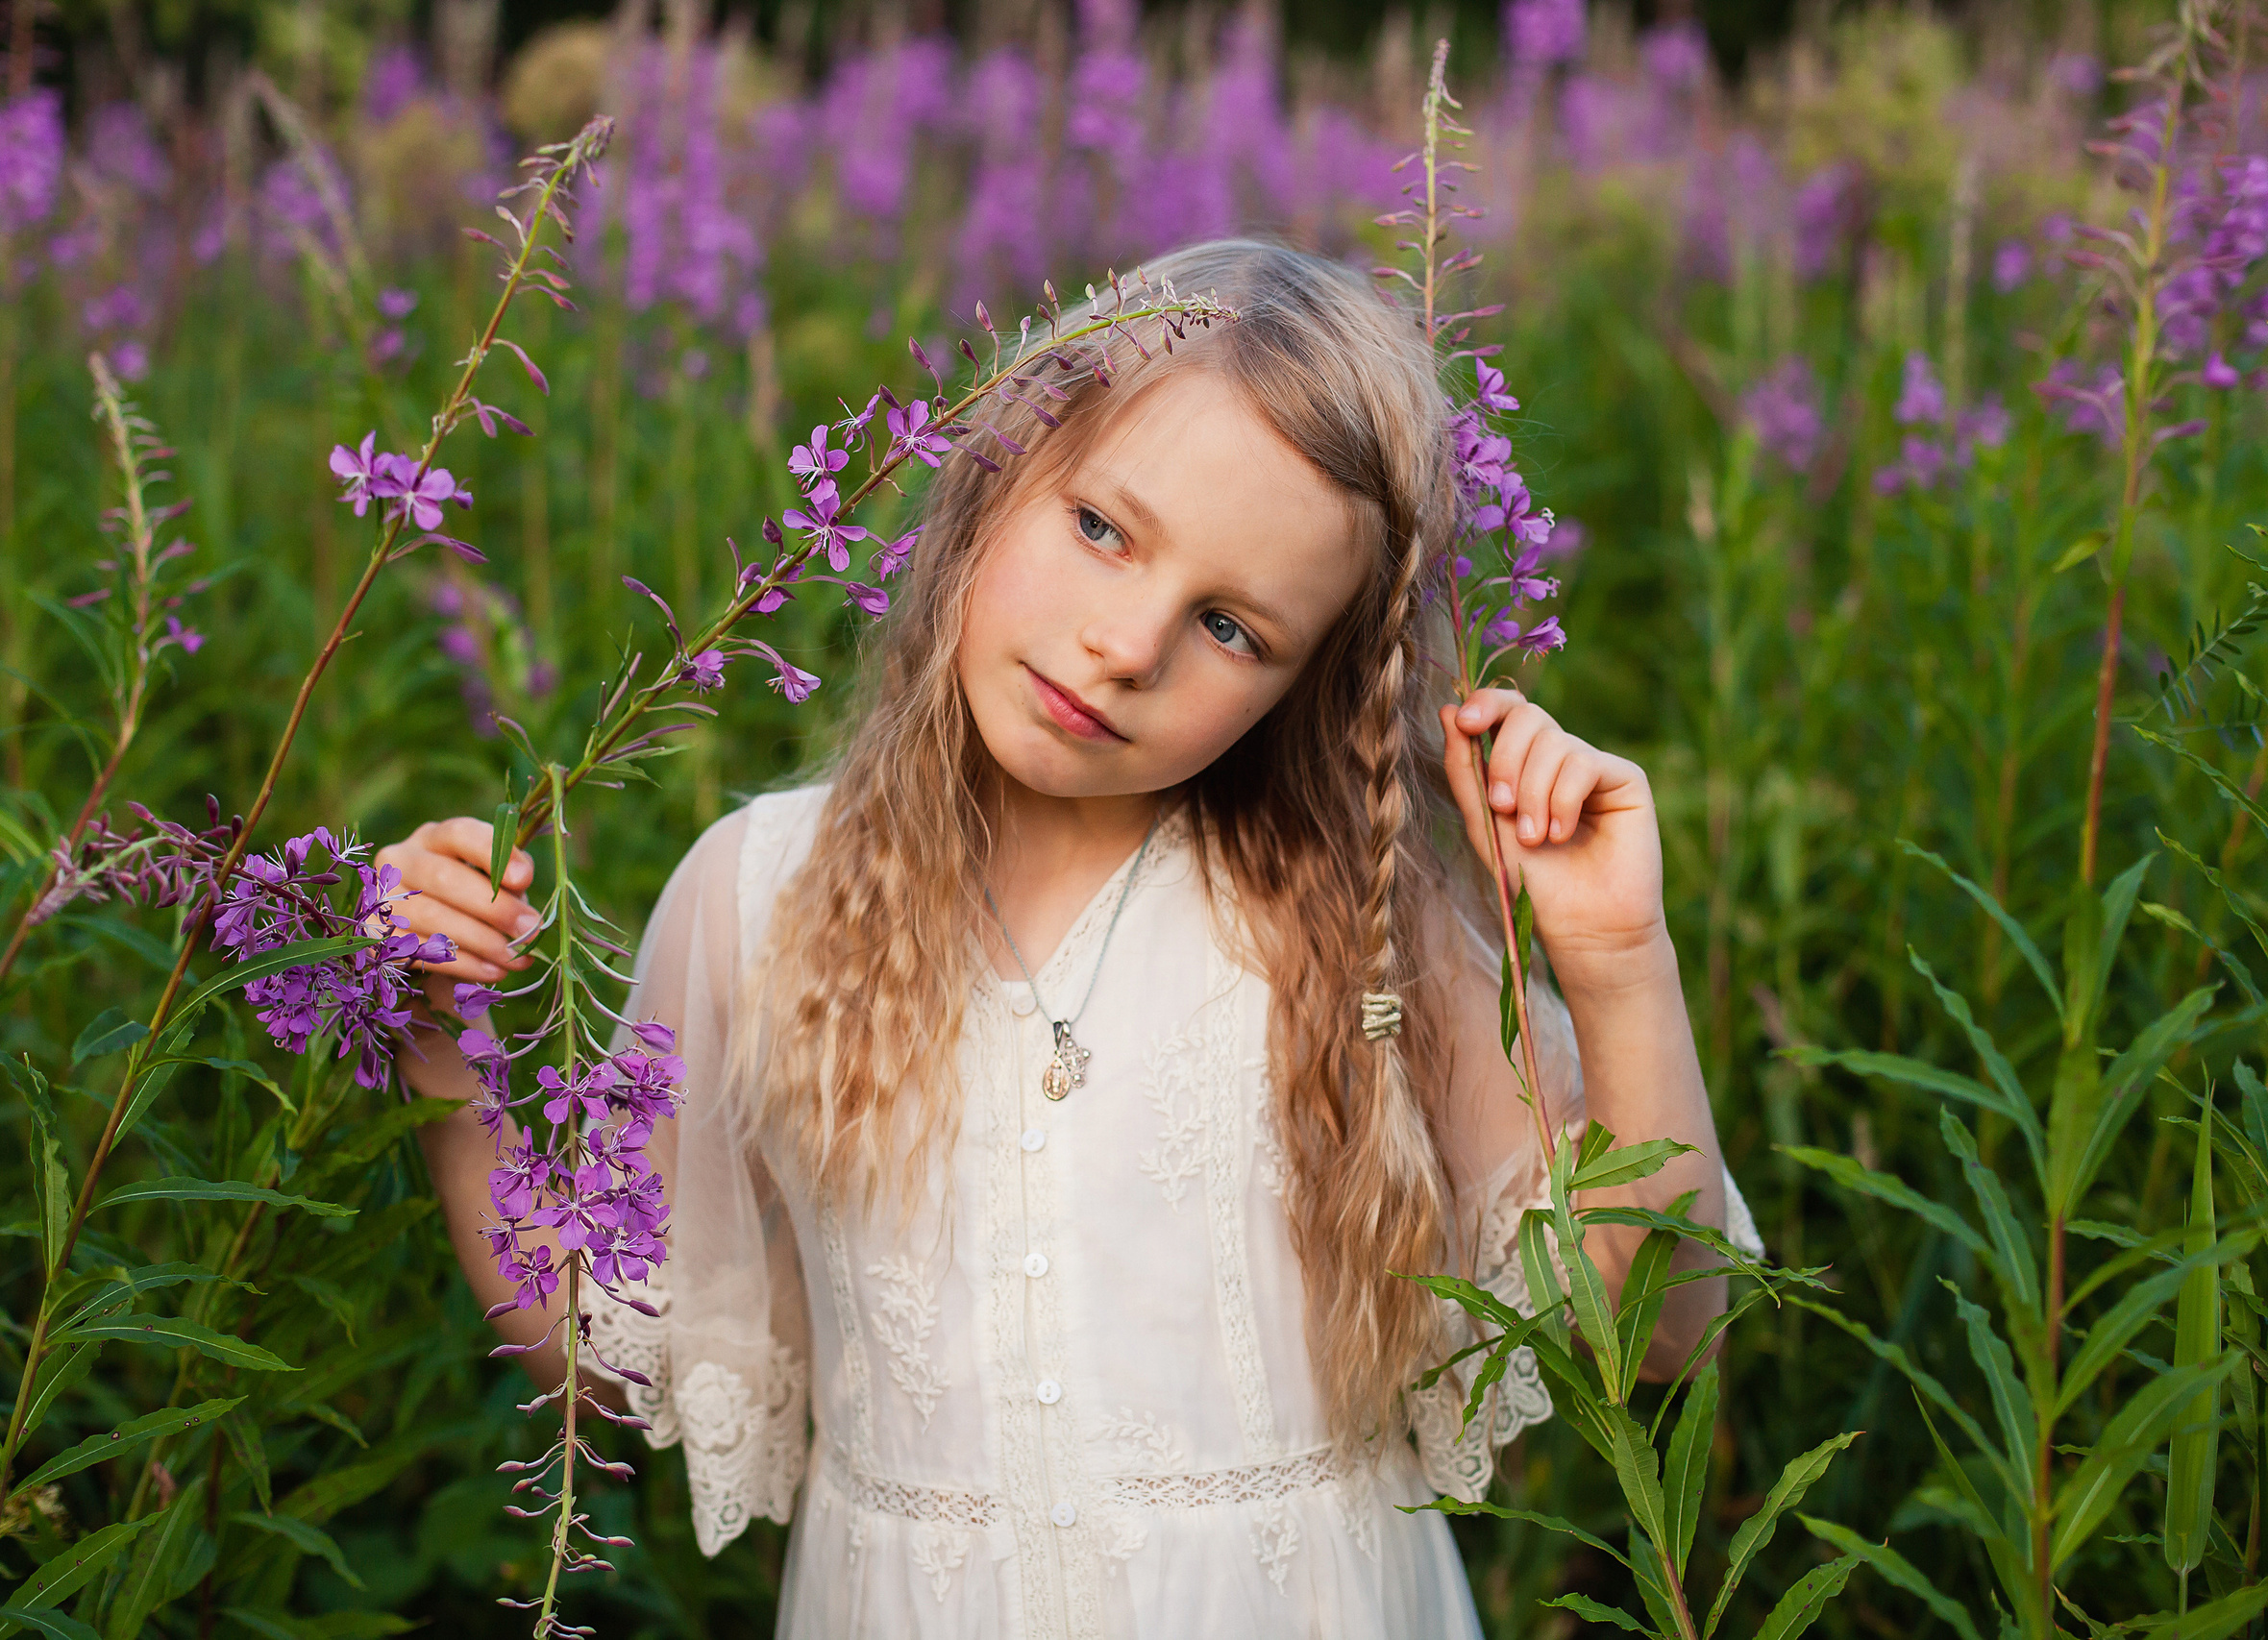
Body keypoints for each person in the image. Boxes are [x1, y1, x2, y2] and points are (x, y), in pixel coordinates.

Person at [387, 239, 1762, 1638]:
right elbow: (604, 1347)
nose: (1126, 646)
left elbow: (1658, 1333)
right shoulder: (756, 896)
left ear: (1306, 688)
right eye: (1103, 529)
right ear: (995, 476)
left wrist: (1616, 963)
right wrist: (441, 1043)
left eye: (1230, 626)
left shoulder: (1360, 925)